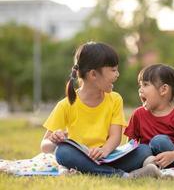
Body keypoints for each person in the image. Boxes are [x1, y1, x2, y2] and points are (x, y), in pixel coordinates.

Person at [40, 42, 161, 178]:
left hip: (108, 156)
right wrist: (54, 140)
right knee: (63, 152)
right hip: (80, 156)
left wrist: (104, 150)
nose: (117, 74)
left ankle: (92, 171)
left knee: (144, 150)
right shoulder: (66, 104)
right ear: (93, 75)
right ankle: (124, 176)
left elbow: (115, 137)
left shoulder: (115, 99)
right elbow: (44, 145)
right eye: (113, 70)